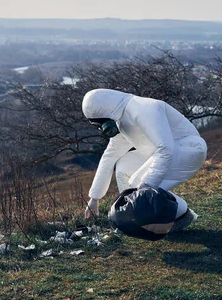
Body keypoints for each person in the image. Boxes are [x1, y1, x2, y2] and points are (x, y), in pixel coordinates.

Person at [82, 88, 207, 231]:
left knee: (136, 184)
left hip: (190, 149)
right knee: (124, 168)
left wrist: (144, 188)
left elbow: (165, 148)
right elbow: (110, 156)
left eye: (99, 123)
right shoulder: (121, 121)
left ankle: (181, 216)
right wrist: (94, 198)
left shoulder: (144, 108)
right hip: (163, 152)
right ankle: (136, 217)